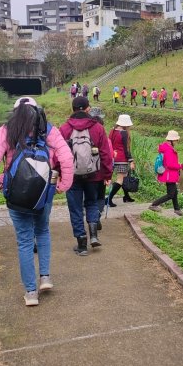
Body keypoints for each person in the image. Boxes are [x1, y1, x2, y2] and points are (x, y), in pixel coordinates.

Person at [0, 97, 74, 306]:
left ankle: (31, 293)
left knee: (24, 240)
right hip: (43, 193)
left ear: (15, 112)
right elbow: (67, 158)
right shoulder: (48, 130)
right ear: (37, 111)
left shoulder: (7, 130)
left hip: (16, 194)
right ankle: (45, 278)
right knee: (42, 231)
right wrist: (63, 185)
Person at [59, 96, 113, 256]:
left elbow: (58, 154)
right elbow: (106, 153)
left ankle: (82, 244)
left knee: (75, 209)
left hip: (72, 176)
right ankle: (94, 235)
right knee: (91, 203)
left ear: (73, 109)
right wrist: (107, 173)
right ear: (87, 108)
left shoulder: (65, 128)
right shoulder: (97, 128)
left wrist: (61, 174)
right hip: (94, 175)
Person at [149, 130, 183, 216]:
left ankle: (177, 209)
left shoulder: (166, 148)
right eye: (176, 140)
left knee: (174, 192)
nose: (177, 142)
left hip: (169, 174)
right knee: (170, 194)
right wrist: (181, 166)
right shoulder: (169, 150)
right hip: (169, 174)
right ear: (172, 140)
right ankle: (154, 205)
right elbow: (170, 164)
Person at [88, 107, 112, 230]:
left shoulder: (85, 133)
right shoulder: (105, 137)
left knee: (90, 198)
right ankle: (96, 216)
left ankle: (92, 218)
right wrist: (108, 174)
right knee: (100, 197)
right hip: (101, 172)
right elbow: (108, 156)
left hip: (87, 172)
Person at [107, 114, 136, 206]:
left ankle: (126, 196)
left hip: (113, 156)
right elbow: (126, 148)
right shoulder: (124, 133)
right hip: (122, 158)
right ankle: (108, 199)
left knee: (124, 177)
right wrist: (131, 160)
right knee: (120, 180)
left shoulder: (112, 130)